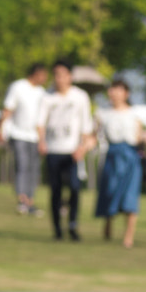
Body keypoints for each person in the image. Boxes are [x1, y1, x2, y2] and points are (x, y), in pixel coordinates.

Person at [38, 61, 95, 243]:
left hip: (73, 152)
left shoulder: (80, 97)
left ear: (70, 76)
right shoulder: (47, 97)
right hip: (53, 150)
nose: (59, 79)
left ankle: (72, 225)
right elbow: (40, 123)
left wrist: (82, 148)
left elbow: (86, 126)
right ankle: (57, 229)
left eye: (62, 74)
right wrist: (41, 142)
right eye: (56, 74)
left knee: (75, 188)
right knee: (55, 190)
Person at [93, 78, 146, 248]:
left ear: (126, 93)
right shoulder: (102, 114)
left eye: (118, 90)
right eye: (112, 90)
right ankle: (108, 223)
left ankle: (128, 237)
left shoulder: (135, 113)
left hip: (130, 157)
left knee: (130, 196)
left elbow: (139, 136)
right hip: (112, 155)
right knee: (109, 191)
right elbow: (94, 136)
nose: (114, 93)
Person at [0, 63, 46, 216]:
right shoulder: (18, 86)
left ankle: (30, 200)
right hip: (18, 134)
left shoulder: (42, 92)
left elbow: (42, 118)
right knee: (22, 165)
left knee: (33, 168)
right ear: (36, 73)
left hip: (34, 136)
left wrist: (42, 139)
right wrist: (1, 129)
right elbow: (8, 108)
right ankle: (22, 199)